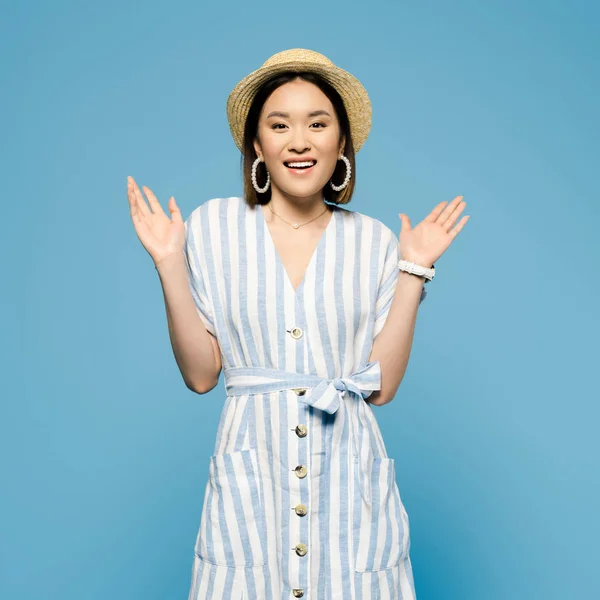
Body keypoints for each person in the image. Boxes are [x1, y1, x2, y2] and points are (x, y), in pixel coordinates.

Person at [127, 48, 468, 600]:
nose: (300, 140)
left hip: (349, 482)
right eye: (279, 125)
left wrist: (415, 269)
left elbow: (381, 388)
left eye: (318, 123)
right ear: (258, 144)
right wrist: (169, 263)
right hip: (251, 485)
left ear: (341, 142)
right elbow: (200, 375)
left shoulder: (374, 240)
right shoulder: (213, 227)